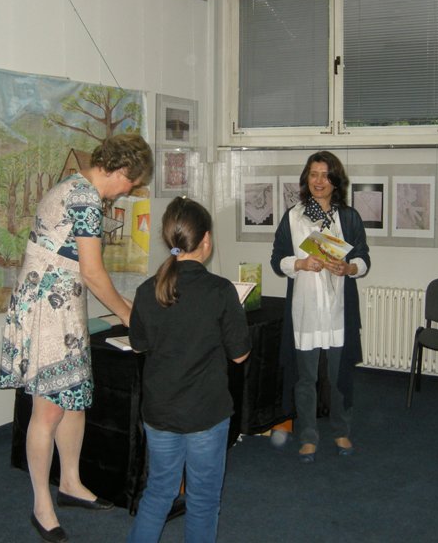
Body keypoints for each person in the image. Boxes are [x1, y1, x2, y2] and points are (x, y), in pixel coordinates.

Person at [0, 133, 153, 543]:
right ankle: (41, 504)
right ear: (122, 170)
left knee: (74, 400)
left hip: (62, 306)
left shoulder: (74, 186)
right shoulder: (84, 198)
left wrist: (126, 307)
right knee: (48, 411)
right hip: (48, 311)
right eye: (132, 182)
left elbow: (83, 271)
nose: (129, 190)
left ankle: (70, 483)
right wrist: (128, 315)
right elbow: (92, 272)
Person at [127, 197, 251, 543]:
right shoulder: (221, 291)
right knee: (203, 500)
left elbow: (138, 345)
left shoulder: (147, 290)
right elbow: (240, 355)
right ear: (206, 240)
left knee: (158, 493)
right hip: (206, 413)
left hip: (160, 412)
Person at [270, 151, 371, 463]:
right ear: (306, 178)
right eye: (313, 174)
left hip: (339, 309)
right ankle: (308, 436)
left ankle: (341, 430)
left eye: (326, 175)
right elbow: (277, 260)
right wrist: (301, 263)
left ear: (335, 181)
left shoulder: (349, 217)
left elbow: (364, 258)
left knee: (340, 375)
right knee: (306, 378)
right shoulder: (293, 216)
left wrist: (349, 268)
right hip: (306, 309)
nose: (319, 181)